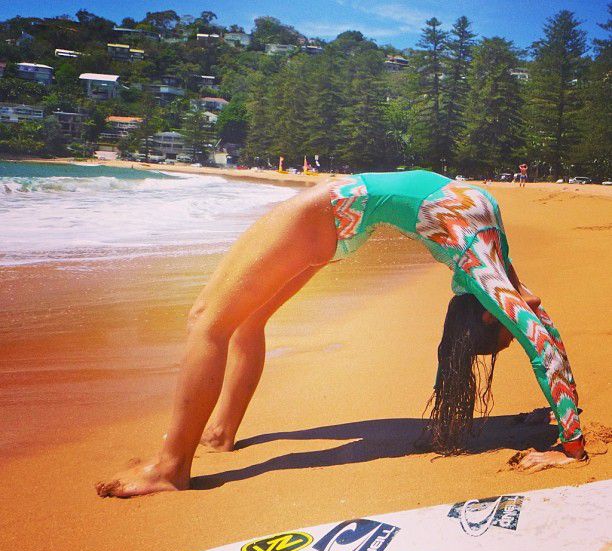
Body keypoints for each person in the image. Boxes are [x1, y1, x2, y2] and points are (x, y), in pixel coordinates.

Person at [96, 171, 586, 498]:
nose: (512, 329)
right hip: (334, 215)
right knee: (231, 320)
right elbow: (541, 335)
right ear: (487, 314)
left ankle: (170, 467)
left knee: (208, 321)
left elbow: (535, 326)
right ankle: (218, 435)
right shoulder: (488, 272)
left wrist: (570, 444)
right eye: (504, 333)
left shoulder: (486, 263)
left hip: (336, 214)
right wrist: (571, 443)